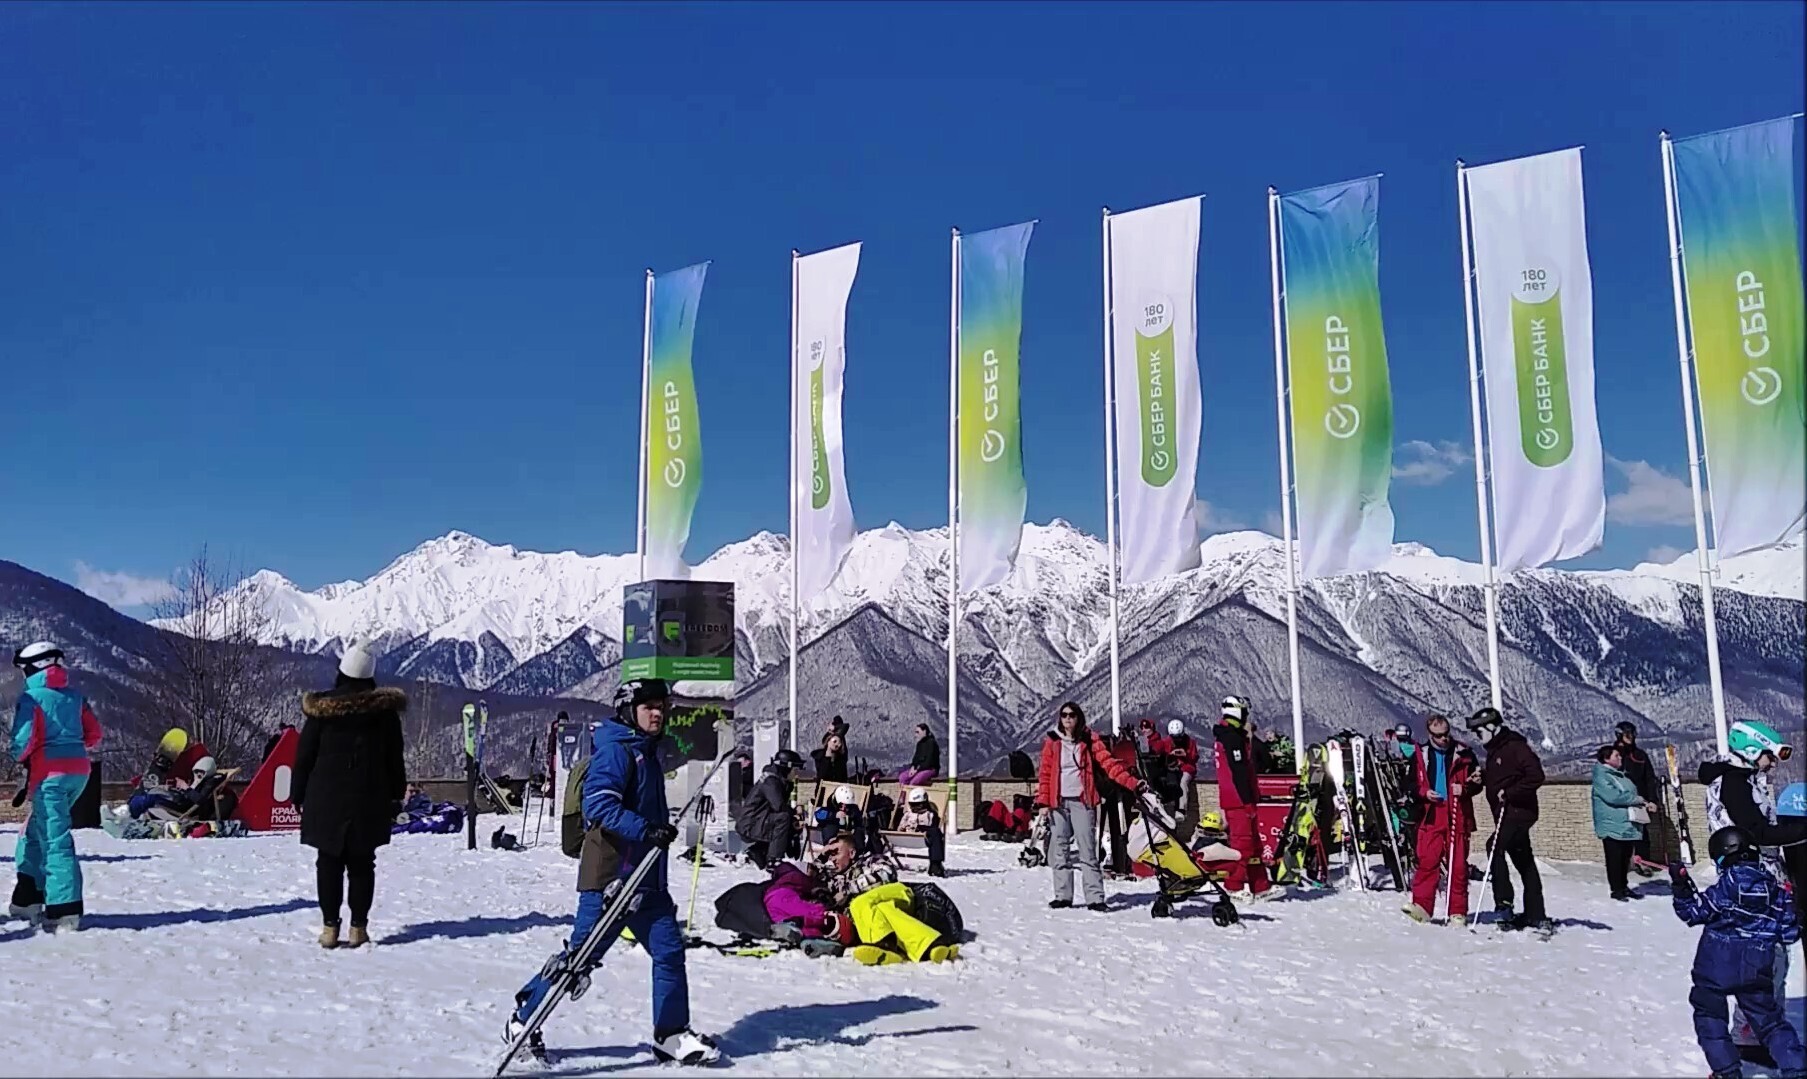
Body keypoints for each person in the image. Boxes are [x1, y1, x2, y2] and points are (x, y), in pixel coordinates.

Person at [505, 678, 717, 1066]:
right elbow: (599, 806)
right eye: (648, 706)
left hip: (646, 881)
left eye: (661, 705)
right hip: (610, 879)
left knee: (669, 952)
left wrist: (653, 834)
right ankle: (523, 1019)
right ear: (628, 710)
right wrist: (647, 829)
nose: (658, 713)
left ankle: (670, 1034)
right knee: (580, 960)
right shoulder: (617, 752)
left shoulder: (645, 751)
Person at [293, 641, 407, 949]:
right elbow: (395, 758)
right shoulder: (384, 715)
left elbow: (304, 757)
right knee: (362, 863)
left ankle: (330, 928)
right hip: (369, 798)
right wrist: (396, 794)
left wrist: (297, 794)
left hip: (325, 797)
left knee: (328, 862)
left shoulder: (322, 712)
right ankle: (359, 928)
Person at [1699, 720, 1807, 1041]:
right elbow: (1757, 832)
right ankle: (1752, 1035)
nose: (1772, 762)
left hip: (1760, 880)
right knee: (1765, 960)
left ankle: (1753, 1032)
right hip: (1750, 884)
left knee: (1769, 960)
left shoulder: (1744, 779)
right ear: (1751, 750)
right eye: (1769, 755)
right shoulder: (1734, 783)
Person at [1671, 826, 1804, 1079]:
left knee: (1710, 1016)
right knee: (1771, 1023)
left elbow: (1692, 912)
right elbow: (1789, 934)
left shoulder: (1725, 888)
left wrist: (1681, 885)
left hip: (1715, 967)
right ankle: (1797, 1069)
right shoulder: (1776, 891)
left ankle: (1726, 1071)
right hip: (1756, 967)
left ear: (1722, 858)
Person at [8, 642, 102, 931]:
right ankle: (27, 899)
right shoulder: (75, 697)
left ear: (34, 667)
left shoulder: (31, 698)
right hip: (79, 771)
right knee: (34, 833)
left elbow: (22, 743)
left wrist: (23, 754)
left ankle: (64, 909)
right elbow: (94, 734)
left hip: (50, 776)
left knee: (55, 840)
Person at [1035, 702, 1143, 912]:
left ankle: (1095, 897)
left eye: (1072, 715)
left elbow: (1109, 764)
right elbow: (1045, 773)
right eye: (1064, 715)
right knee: (1060, 850)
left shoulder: (1089, 739)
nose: (1067, 719)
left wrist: (1132, 783)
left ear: (1078, 718)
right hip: (1058, 804)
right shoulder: (1052, 741)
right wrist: (1043, 802)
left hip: (1082, 802)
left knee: (1088, 851)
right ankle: (1063, 895)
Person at [814, 834, 958, 964]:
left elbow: (886, 874)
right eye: (829, 855)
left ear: (851, 853)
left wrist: (848, 890)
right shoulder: (834, 879)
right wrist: (822, 855)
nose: (832, 858)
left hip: (898, 894)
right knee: (882, 909)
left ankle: (882, 943)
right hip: (881, 911)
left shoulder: (870, 861)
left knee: (860, 902)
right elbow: (811, 876)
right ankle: (932, 946)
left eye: (835, 852)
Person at [1468, 707, 1549, 932]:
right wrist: (1483, 777)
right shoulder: (1497, 750)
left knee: (1493, 846)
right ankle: (1535, 912)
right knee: (1525, 862)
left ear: (1491, 728)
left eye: (1479, 731)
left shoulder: (1515, 747)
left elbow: (1536, 776)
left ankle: (1504, 903)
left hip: (1518, 813)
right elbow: (1504, 776)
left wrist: (1510, 792)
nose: (1478, 736)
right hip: (1508, 814)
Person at [1402, 714, 1482, 924]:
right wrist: (1423, 793)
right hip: (1431, 813)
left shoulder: (1463, 753)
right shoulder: (1421, 755)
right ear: (1430, 735)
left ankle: (1457, 911)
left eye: (1447, 733)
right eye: (1439, 736)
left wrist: (1464, 788)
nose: (1444, 739)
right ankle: (1422, 906)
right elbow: (1409, 783)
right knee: (1428, 860)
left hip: (1457, 811)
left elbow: (1478, 781)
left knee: (1457, 864)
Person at [1214, 695, 1272, 901]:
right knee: (1242, 845)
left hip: (1241, 798)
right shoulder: (1232, 738)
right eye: (1244, 711)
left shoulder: (1231, 736)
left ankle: (1260, 884)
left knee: (1255, 844)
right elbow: (1239, 771)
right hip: (1238, 800)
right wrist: (1247, 801)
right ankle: (1233, 884)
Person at [1591, 744, 1654, 902]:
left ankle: (1624, 886)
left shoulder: (1621, 775)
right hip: (1611, 823)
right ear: (1606, 759)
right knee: (1614, 857)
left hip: (1625, 822)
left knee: (1625, 856)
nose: (1620, 758)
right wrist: (1637, 800)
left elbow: (1630, 792)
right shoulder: (1601, 776)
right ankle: (1616, 889)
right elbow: (1613, 796)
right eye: (1616, 756)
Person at [735, 748, 804, 869]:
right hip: (750, 824)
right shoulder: (771, 781)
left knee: (785, 818)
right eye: (795, 769)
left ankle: (758, 851)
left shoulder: (781, 781)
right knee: (783, 818)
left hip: (758, 821)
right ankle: (774, 860)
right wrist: (794, 814)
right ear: (786, 767)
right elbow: (779, 806)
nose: (797, 773)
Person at [1611, 721, 1664, 876]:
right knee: (1619, 833)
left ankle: (1644, 862)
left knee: (1641, 833)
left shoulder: (1640, 755)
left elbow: (1649, 778)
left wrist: (1653, 799)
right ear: (1620, 735)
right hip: (1619, 800)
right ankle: (1622, 863)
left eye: (1633, 734)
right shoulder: (1612, 755)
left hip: (1639, 799)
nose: (1631, 737)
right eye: (1628, 734)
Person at [1162, 719, 1201, 842]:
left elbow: (1194, 758)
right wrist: (1171, 755)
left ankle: (1181, 809)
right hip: (1172, 768)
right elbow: (1162, 756)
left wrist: (1186, 755)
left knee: (1183, 782)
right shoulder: (1167, 742)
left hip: (1187, 768)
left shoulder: (1190, 742)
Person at [896, 786, 948, 878]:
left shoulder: (930, 814)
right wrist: (906, 827)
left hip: (923, 838)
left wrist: (920, 827)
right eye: (912, 805)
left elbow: (933, 827)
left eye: (918, 805)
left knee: (936, 832)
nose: (915, 808)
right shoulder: (907, 814)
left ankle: (935, 864)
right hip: (905, 836)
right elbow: (899, 828)